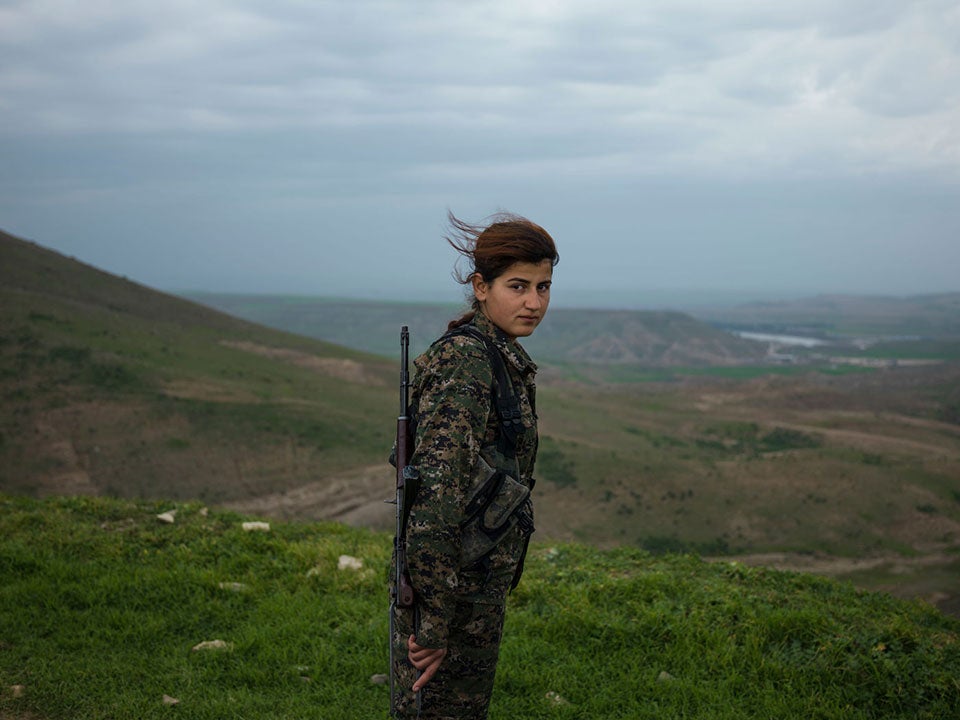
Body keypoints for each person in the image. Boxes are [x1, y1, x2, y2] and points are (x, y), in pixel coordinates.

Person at [390, 211, 559, 719]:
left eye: (544, 286)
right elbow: (434, 502)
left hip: (471, 586)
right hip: (451, 593)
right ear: (481, 287)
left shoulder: (496, 353)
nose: (534, 302)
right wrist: (435, 624)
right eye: (518, 286)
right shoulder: (468, 361)